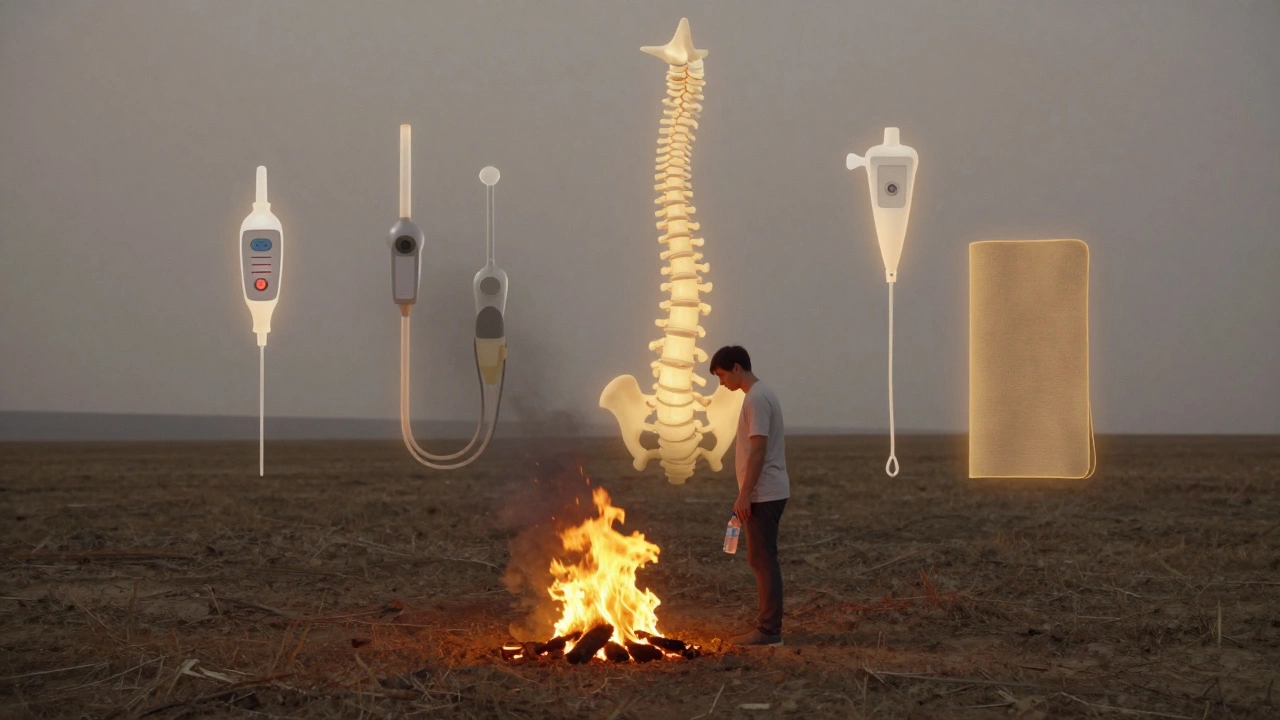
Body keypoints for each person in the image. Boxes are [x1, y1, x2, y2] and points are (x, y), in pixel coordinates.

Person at [709, 345, 789, 647]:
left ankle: (769, 631)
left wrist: (745, 495)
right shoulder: (759, 394)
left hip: (764, 493)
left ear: (736, 368)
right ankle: (769, 628)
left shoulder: (756, 397)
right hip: (763, 491)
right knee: (760, 558)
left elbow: (758, 449)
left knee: (763, 559)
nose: (721, 383)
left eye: (721, 375)